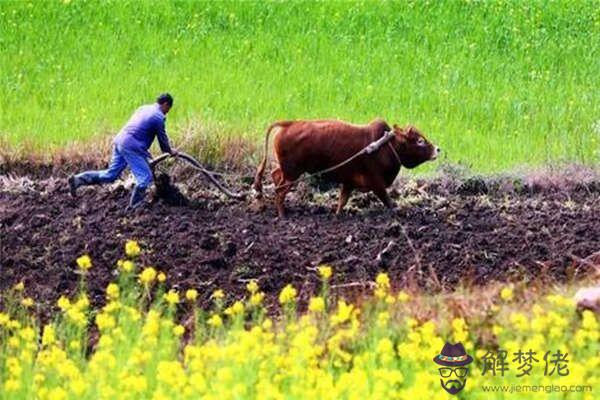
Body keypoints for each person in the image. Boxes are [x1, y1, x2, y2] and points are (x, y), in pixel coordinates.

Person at [68, 93, 178, 209]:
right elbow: (163, 143)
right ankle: (135, 206)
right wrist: (171, 151)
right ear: (165, 104)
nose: (167, 112)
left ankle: (78, 179)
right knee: (145, 178)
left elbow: (138, 129)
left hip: (120, 141)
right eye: (168, 109)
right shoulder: (158, 117)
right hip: (131, 146)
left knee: (110, 175)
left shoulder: (143, 108)